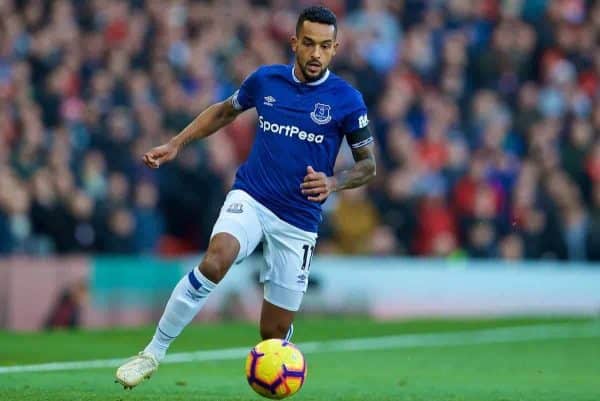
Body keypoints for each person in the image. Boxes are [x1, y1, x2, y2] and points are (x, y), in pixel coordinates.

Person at [115, 6, 376, 389]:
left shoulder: (347, 100)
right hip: (252, 197)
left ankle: (280, 354)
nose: (315, 54)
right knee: (216, 260)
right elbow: (223, 112)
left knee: (271, 332)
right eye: (308, 44)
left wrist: (334, 182)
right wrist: (175, 144)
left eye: (324, 46)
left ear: (335, 48)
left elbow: (368, 165)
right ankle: (152, 353)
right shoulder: (265, 81)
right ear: (294, 43)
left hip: (299, 220)